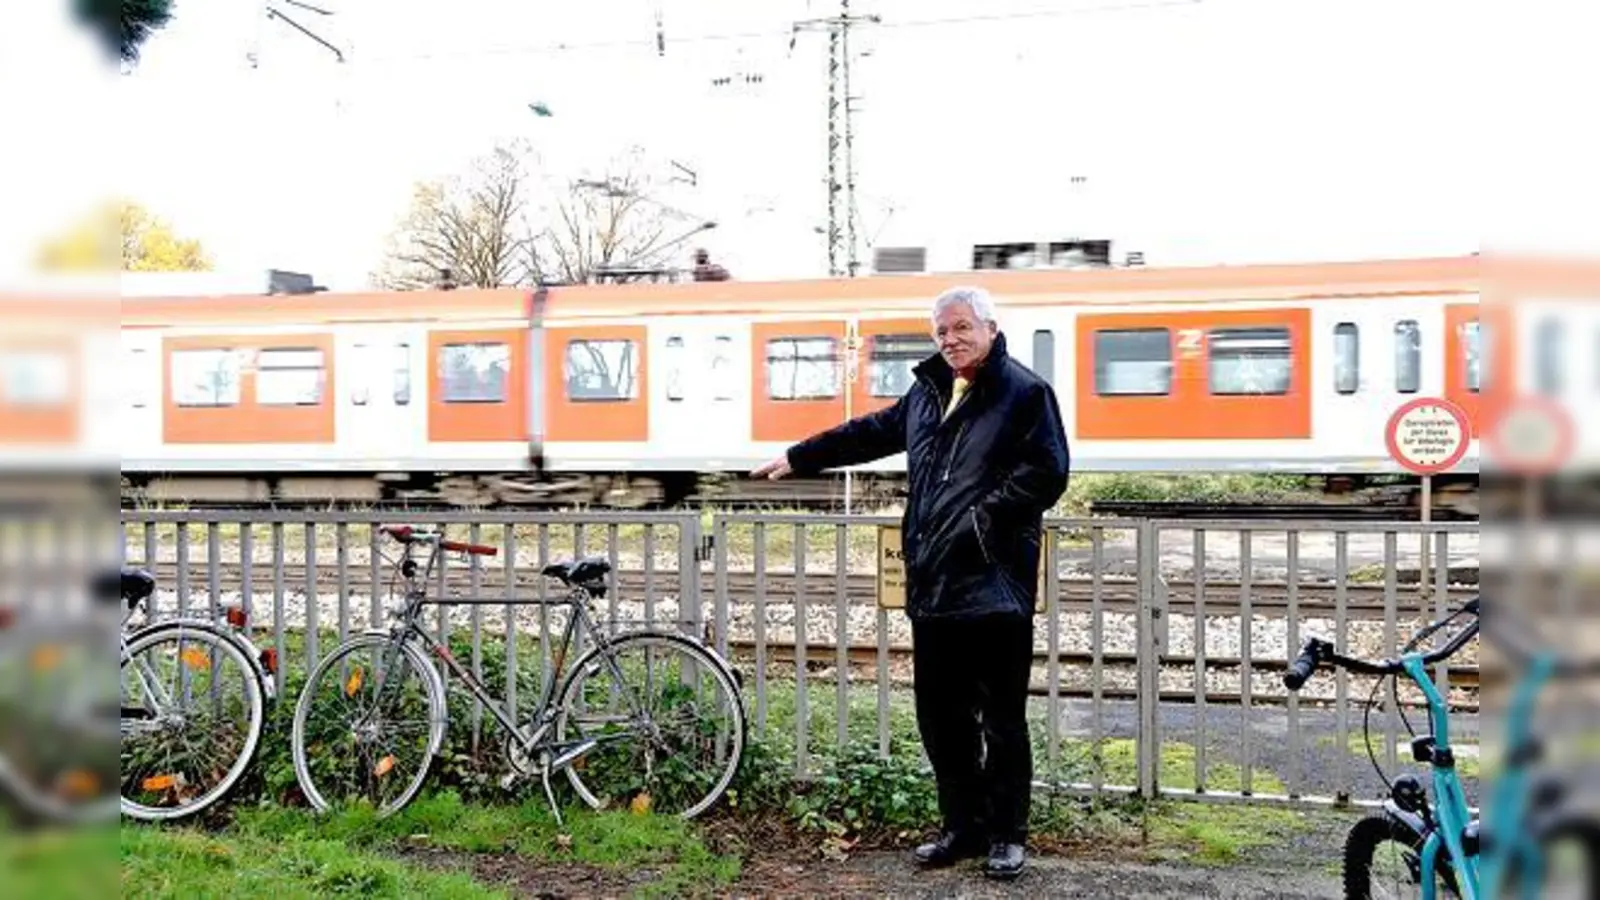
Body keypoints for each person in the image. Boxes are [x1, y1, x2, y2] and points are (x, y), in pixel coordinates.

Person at [750, 286, 1070, 880]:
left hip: (995, 585)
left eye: (961, 328)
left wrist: (984, 517)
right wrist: (800, 455)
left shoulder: (1025, 393)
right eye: (941, 331)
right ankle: (962, 827)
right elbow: (869, 433)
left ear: (990, 328)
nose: (950, 340)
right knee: (940, 718)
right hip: (935, 584)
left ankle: (1006, 835)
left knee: (1001, 720)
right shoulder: (927, 394)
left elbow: (1048, 473)